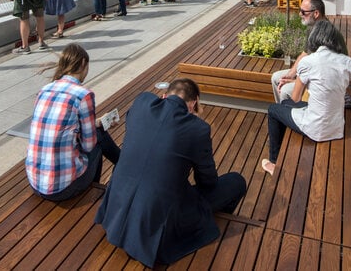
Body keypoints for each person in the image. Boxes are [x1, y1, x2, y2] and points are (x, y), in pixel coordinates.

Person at [95, 78, 247, 267]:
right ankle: (209, 220)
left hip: (115, 214)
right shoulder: (198, 129)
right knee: (236, 181)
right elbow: (207, 182)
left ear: (165, 95)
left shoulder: (142, 102)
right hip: (152, 229)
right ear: (194, 103)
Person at [262, 20, 351, 175]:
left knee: (274, 109)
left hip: (315, 129)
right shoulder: (348, 62)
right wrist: (342, 87)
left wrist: (305, 82)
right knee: (285, 104)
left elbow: (296, 98)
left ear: (314, 38)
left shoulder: (308, 62)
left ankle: (274, 162)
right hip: (336, 129)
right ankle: (284, 146)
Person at [26, 43, 120, 201]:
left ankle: (122, 161)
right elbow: (88, 146)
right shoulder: (83, 95)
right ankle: (93, 193)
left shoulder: (45, 90)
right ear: (83, 63)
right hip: (62, 189)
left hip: (36, 183)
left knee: (97, 130)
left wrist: (94, 123)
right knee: (98, 140)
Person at [270, 0, 325, 102]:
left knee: (285, 90)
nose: (300, 14)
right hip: (310, 73)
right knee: (276, 77)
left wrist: (294, 81)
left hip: (321, 81)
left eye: (304, 12)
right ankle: (282, 111)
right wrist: (290, 74)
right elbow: (305, 53)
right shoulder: (312, 27)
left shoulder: (324, 34)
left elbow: (321, 72)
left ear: (316, 13)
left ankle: (290, 115)